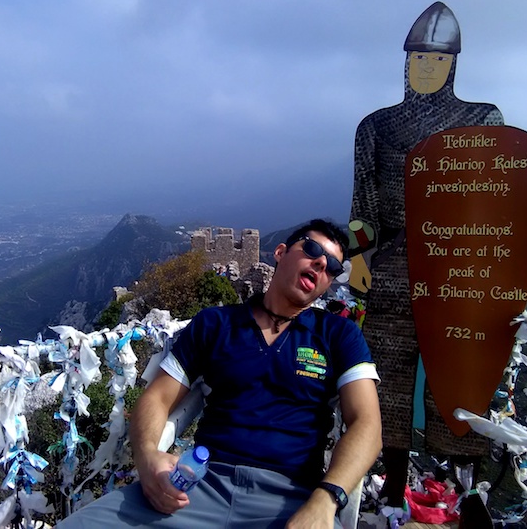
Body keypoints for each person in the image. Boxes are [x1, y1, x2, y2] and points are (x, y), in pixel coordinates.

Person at [58, 219, 382, 528]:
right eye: (312, 250)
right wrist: (146, 458)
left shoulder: (338, 335)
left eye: (333, 266)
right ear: (281, 252)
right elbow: (157, 397)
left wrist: (326, 500)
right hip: (199, 485)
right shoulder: (216, 323)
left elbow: (367, 424)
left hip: (292, 498)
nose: (321, 264)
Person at [348, 2, 503, 513]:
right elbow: (363, 203)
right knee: (387, 379)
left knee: (459, 380)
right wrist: (359, 257)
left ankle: (468, 492)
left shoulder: (483, 121)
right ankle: (392, 490)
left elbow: (497, 201)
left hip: (459, 268)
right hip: (393, 262)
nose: (426, 67)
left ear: (453, 64)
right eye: (418, 58)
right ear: (406, 62)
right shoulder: (376, 126)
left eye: (436, 60)